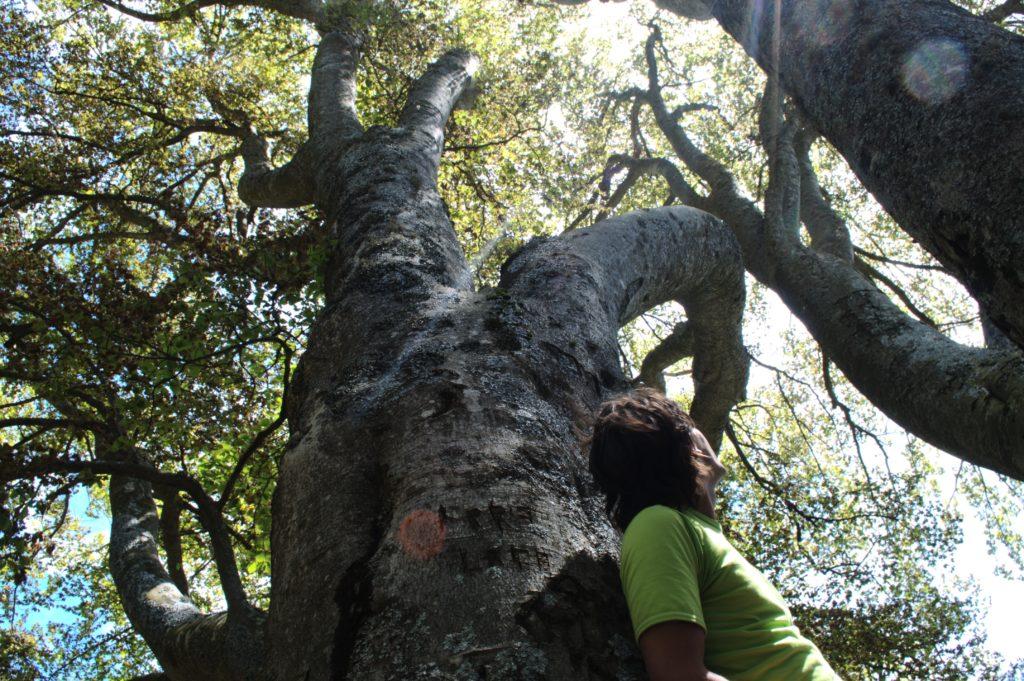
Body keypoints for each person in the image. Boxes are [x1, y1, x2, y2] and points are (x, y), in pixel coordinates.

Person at [587, 388, 839, 681]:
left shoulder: (695, 530)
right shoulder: (658, 525)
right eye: (688, 425)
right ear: (686, 444)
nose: (697, 428)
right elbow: (680, 674)